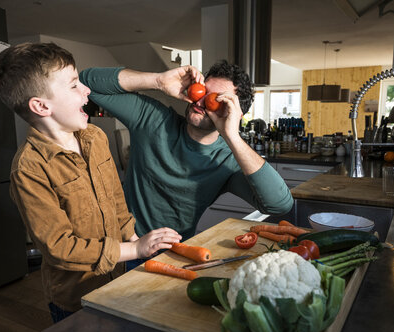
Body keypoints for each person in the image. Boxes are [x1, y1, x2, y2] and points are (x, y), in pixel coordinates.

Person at [0, 42, 181, 323]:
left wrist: (135, 239)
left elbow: (117, 199)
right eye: (73, 85)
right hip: (76, 299)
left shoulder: (95, 137)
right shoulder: (29, 170)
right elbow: (60, 248)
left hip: (118, 280)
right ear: (41, 106)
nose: (86, 90)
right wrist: (135, 249)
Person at [79, 61, 293, 268]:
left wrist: (233, 136)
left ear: (234, 112)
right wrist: (159, 81)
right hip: (121, 246)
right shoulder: (153, 119)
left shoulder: (227, 160)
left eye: (216, 100)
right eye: (201, 91)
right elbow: (86, 82)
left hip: (175, 254)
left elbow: (280, 205)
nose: (200, 102)